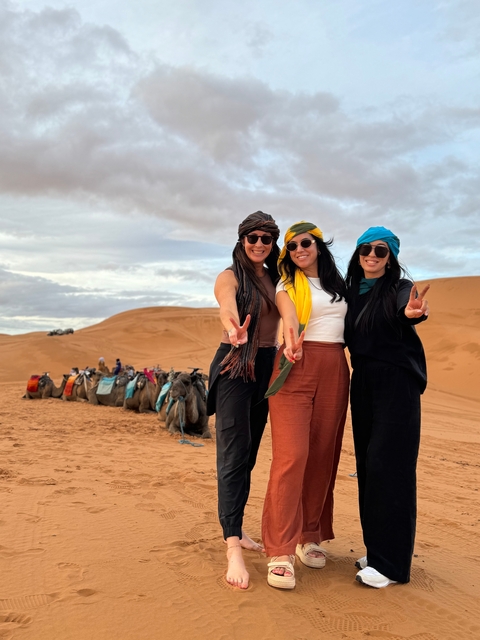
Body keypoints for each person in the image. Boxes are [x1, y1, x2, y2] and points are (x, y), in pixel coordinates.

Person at [262, 221, 349, 590]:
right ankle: (279, 549)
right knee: (291, 455)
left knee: (322, 453)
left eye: (306, 243)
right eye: (292, 246)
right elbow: (288, 314)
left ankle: (308, 535)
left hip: (334, 367)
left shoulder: (340, 286)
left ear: (318, 245)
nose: (299, 249)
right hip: (295, 364)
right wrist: (292, 337)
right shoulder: (287, 283)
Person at [344, 226, 429, 589]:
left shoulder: (398, 289)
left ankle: (393, 566)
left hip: (396, 383)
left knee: (388, 466)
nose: (373, 255)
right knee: (367, 466)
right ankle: (378, 551)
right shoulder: (351, 291)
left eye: (381, 250)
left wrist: (413, 313)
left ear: (391, 256)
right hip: (362, 381)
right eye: (366, 248)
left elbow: (407, 309)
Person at [207, 211, 281, 589]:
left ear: (272, 243)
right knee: (234, 453)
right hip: (236, 362)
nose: (258, 244)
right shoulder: (230, 275)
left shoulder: (275, 278)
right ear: (241, 240)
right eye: (252, 237)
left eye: (266, 238)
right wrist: (232, 324)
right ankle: (232, 545)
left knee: (249, 453)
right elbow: (225, 302)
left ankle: (237, 527)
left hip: (267, 365)